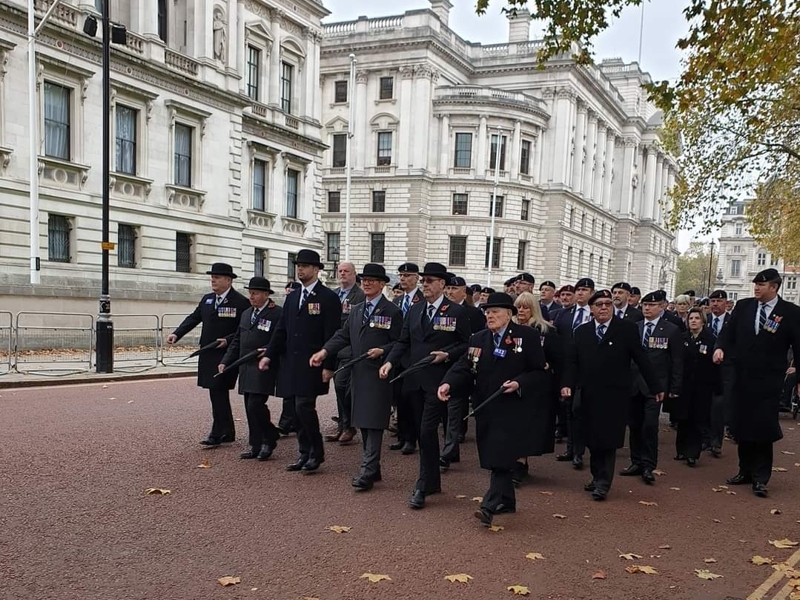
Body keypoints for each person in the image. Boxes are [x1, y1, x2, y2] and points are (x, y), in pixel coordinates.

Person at [439, 292, 546, 525]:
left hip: (514, 407)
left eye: (495, 312)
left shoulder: (527, 336)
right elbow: (464, 366)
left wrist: (518, 383)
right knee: (493, 454)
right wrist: (448, 383)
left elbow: (539, 371)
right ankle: (507, 501)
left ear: (508, 314)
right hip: (485, 406)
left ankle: (488, 506)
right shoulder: (478, 338)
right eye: (487, 312)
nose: (490, 316)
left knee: (501, 456)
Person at [380, 262, 470, 510]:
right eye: (423, 281)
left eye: (430, 281)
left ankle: (422, 484)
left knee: (427, 430)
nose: (425, 285)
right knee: (422, 432)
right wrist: (389, 362)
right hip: (414, 380)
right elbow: (403, 341)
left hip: (440, 381)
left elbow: (466, 345)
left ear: (442, 284)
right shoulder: (415, 310)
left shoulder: (456, 311)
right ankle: (432, 481)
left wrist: (447, 355)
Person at [560, 290, 662, 501]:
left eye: (608, 304)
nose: (604, 308)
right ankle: (597, 476)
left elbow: (641, 359)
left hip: (615, 395)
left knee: (607, 439)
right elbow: (572, 361)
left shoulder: (626, 329)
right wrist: (567, 384)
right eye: (599, 304)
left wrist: (656, 387)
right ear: (591, 308)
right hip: (589, 393)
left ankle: (603, 483)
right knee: (592, 438)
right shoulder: (582, 331)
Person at [311, 264, 403, 491]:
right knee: (363, 421)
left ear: (382, 284)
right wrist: (325, 351)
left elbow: (401, 342)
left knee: (374, 422)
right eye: (364, 280)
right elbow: (343, 335)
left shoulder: (392, 311)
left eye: (372, 280)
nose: (367, 283)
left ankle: (367, 470)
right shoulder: (357, 310)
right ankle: (373, 467)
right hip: (359, 373)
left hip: (379, 374)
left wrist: (383, 350)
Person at [715, 268, 800, 497]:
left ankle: (761, 477)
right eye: (755, 284)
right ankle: (744, 470)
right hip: (742, 376)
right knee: (742, 425)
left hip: (768, 381)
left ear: (774, 287)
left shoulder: (790, 312)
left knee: (763, 427)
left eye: (761, 285)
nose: (757, 288)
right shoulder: (744, 307)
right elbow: (728, 333)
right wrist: (720, 348)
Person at [258, 249, 342, 474]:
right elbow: (282, 329)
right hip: (291, 363)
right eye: (298, 266)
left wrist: (329, 365)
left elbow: (333, 335)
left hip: (313, 363)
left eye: (305, 266)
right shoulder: (293, 297)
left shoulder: (328, 297)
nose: (300, 269)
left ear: (316, 269)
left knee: (304, 407)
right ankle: (304, 452)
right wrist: (269, 355)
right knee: (294, 410)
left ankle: (316, 452)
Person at [167, 262, 250, 446]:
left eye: (217, 277)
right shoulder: (207, 299)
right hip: (208, 352)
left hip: (226, 353)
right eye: (212, 277)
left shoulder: (240, 302)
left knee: (218, 389)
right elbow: (194, 318)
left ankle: (217, 432)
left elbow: (243, 329)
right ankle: (227, 431)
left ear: (228, 280)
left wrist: (228, 340)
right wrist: (177, 333)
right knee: (215, 392)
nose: (213, 280)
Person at [621, 290, 683, 485]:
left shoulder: (671, 330)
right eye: (645, 305)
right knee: (634, 425)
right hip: (633, 384)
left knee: (649, 425)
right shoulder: (634, 327)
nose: (647, 308)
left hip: (655, 387)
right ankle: (636, 461)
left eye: (652, 305)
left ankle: (648, 465)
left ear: (662, 306)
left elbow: (677, 361)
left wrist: (674, 387)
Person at [219, 277, 282, 461]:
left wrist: (268, 350)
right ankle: (255, 444)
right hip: (245, 366)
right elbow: (237, 340)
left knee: (255, 404)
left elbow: (281, 338)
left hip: (263, 365)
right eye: (250, 293)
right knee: (249, 407)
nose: (251, 296)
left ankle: (269, 437)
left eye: (255, 293)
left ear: (266, 294)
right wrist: (226, 360)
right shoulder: (247, 313)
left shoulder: (277, 313)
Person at [512, 291, 562, 484]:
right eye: (518, 307)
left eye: (526, 307)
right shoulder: (509, 328)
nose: (521, 310)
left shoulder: (546, 331)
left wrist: (548, 365)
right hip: (512, 382)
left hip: (535, 386)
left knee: (527, 425)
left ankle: (521, 462)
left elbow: (558, 358)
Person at [440, 275, 486, 467]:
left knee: (455, 409)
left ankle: (449, 450)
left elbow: (476, 341)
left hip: (462, 364)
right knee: (445, 411)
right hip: (440, 365)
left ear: (464, 291)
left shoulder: (473, 313)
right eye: (448, 288)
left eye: (454, 289)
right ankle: (451, 449)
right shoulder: (442, 309)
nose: (450, 292)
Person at [664, 308, 716, 467]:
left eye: (697, 318)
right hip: (683, 385)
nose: (693, 321)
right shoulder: (681, 337)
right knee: (682, 418)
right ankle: (681, 450)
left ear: (703, 321)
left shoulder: (710, 339)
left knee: (696, 419)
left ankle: (692, 453)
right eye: (691, 318)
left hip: (702, 386)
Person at [553, 277, 595, 469]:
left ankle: (582, 450)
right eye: (578, 290)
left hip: (589, 369)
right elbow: (556, 340)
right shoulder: (564, 314)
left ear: (591, 293)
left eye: (584, 290)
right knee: (569, 410)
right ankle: (572, 450)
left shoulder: (595, 313)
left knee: (583, 411)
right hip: (567, 368)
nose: (580, 293)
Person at [328, 262, 366, 444]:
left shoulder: (360, 295)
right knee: (338, 388)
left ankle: (350, 425)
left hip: (350, 349)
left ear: (354, 274)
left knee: (342, 385)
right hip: (334, 348)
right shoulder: (333, 294)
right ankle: (343, 425)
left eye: (346, 271)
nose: (342, 274)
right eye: (340, 271)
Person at [390, 262, 425, 455]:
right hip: (397, 356)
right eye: (401, 276)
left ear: (416, 278)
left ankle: (412, 438)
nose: (403, 279)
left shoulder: (422, 300)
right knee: (399, 399)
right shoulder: (396, 301)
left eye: (407, 276)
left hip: (414, 356)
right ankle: (402, 436)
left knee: (412, 401)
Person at [704, 289, 731, 456]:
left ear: (726, 303)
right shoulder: (704, 320)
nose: (715, 304)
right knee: (704, 404)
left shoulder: (732, 321)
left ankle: (716, 442)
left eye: (719, 301)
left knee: (718, 407)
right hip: (705, 368)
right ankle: (705, 439)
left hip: (724, 369)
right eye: (713, 301)